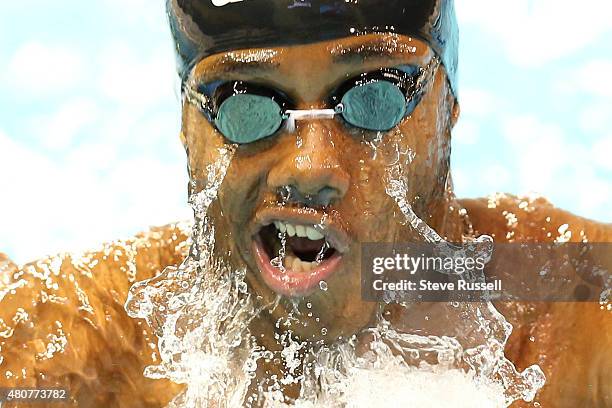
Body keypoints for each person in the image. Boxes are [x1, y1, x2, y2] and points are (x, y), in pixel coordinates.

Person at [0, 0, 610, 406]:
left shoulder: (563, 310)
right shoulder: (109, 335)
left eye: (373, 99)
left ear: (447, 109)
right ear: (188, 128)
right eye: (249, 105)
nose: (312, 167)